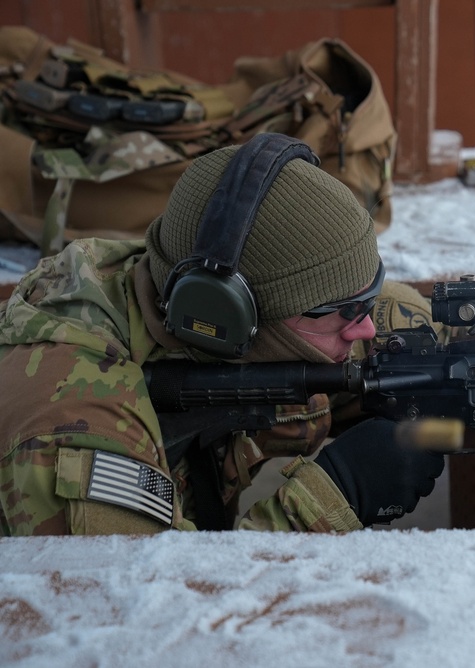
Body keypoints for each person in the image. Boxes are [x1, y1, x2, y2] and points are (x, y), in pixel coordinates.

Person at [0, 133, 445, 536]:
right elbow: (148, 610)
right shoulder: (71, 426)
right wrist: (332, 497)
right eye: (343, 311)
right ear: (224, 316)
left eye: (365, 299)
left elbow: (373, 312)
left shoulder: (185, 287)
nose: (364, 326)